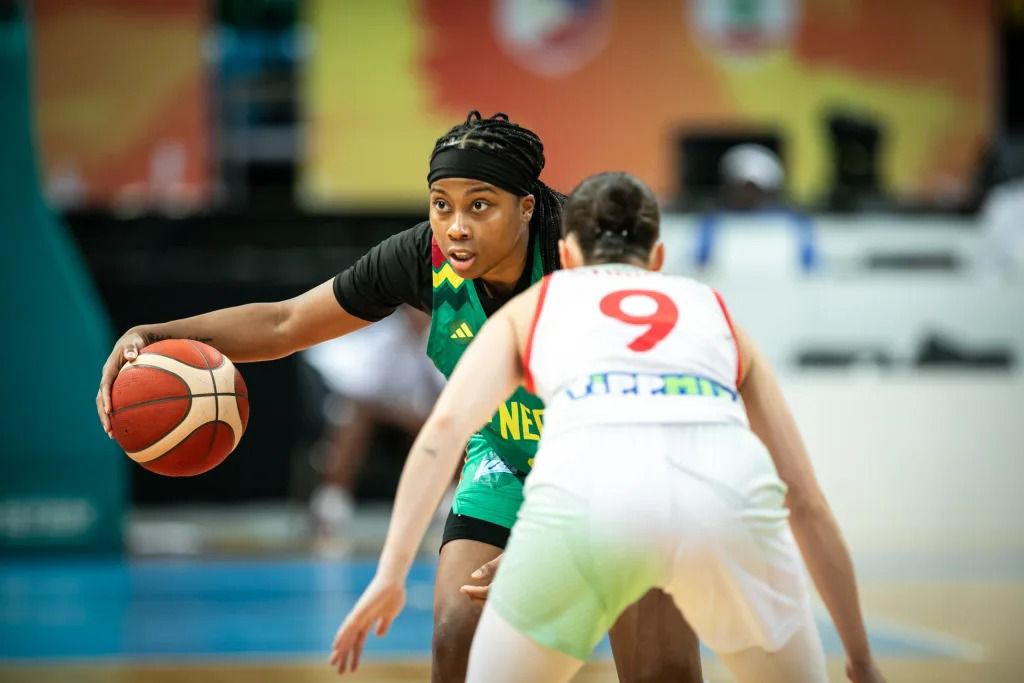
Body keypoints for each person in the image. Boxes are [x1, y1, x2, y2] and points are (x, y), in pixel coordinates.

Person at [96, 112, 703, 682]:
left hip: (626, 474)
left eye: (480, 206)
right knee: (456, 633)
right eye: (442, 205)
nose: (456, 226)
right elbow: (285, 324)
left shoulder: (587, 264)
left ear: (525, 207)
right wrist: (157, 334)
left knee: (660, 673)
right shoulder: (423, 256)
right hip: (507, 457)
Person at [331, 172, 886, 683]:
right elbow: (807, 502)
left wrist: (392, 573)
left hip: (588, 505)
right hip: (729, 504)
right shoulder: (713, 310)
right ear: (659, 257)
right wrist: (860, 658)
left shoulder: (542, 303)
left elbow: (445, 429)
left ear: (567, 256)